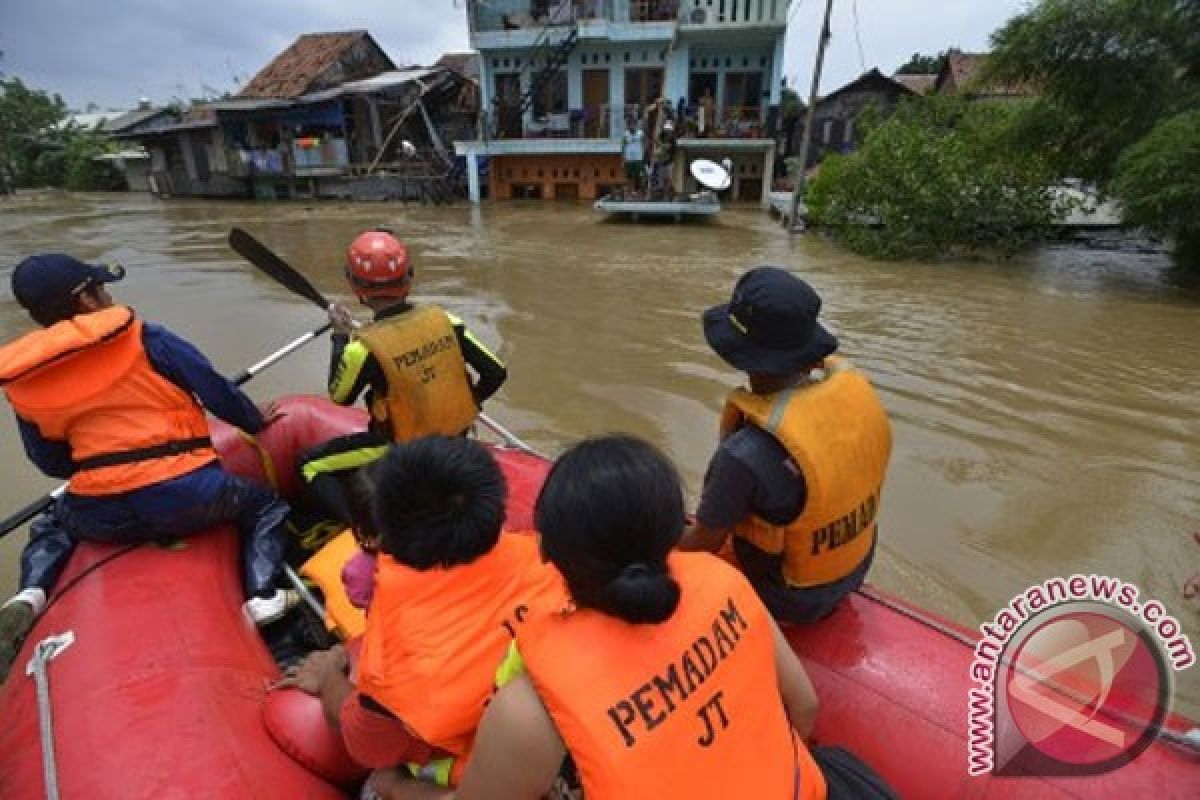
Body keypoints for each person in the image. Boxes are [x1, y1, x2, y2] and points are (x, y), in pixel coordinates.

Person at [375, 435, 832, 800]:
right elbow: (805, 709)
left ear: (546, 553)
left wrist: (397, 787)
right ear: (675, 528)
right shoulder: (721, 578)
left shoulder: (527, 711)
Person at [0, 253, 294, 679]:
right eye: (101, 288)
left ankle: (29, 594)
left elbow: (49, 461)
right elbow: (214, 391)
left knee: (50, 524)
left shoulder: (26, 378)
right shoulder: (146, 339)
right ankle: (263, 594)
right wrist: (253, 420)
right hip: (188, 495)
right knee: (266, 507)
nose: (108, 294)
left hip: (97, 512)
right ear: (85, 299)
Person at [279, 436, 561, 790]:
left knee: (377, 784)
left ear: (383, 535)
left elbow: (369, 746)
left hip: (474, 772)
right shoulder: (551, 561)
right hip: (558, 749)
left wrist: (328, 678)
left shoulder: (398, 659)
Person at [680, 267, 892, 624]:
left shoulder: (743, 455)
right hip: (856, 567)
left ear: (737, 356)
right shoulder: (852, 396)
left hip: (789, 599)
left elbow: (701, 544)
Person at [298, 229, 507, 527]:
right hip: (455, 437)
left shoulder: (363, 348)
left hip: (400, 446)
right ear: (408, 278)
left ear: (356, 285)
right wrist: (470, 402)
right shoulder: (445, 321)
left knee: (308, 465)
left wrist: (339, 337)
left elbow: (339, 396)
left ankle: (365, 531)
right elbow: (496, 372)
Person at [621, 124, 645, 197]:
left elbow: (645, 143)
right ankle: (630, 191)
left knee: (639, 175)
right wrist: (623, 158)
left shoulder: (640, 133)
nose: (632, 127)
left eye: (633, 125)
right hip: (629, 159)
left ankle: (639, 191)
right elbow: (623, 146)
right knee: (629, 176)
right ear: (628, 126)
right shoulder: (626, 134)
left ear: (636, 125)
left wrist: (644, 154)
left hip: (638, 158)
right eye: (630, 125)